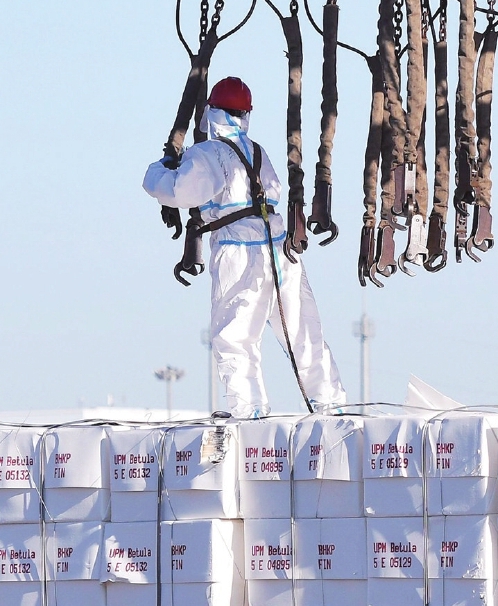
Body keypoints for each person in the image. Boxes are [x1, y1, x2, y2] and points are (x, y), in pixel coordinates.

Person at [143, 77, 347, 417]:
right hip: (280, 249)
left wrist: (157, 171)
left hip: (239, 251)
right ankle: (332, 408)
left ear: (211, 111)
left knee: (235, 337)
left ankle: (250, 414)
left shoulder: (209, 153)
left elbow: (179, 192)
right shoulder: (257, 151)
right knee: (302, 332)